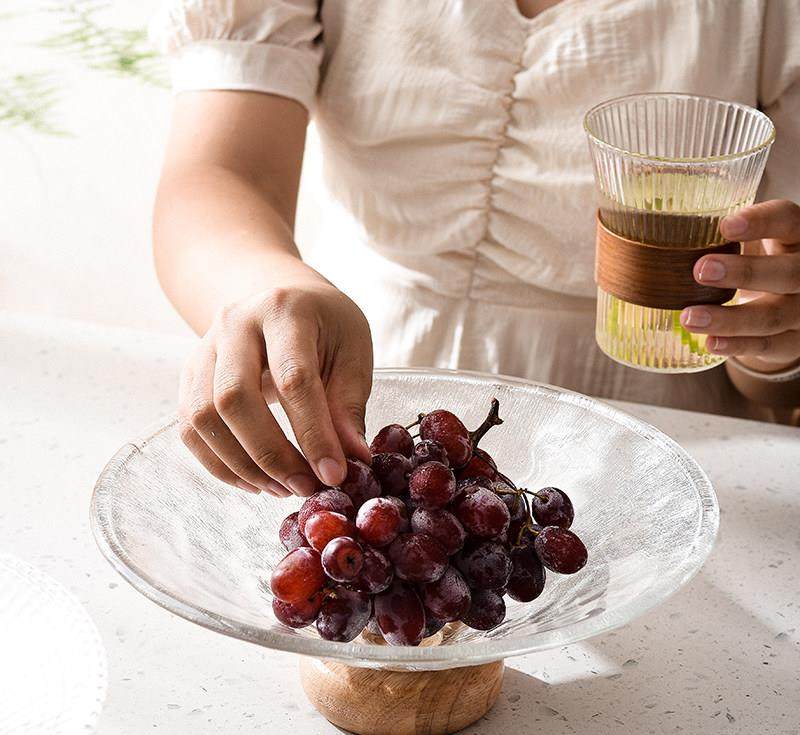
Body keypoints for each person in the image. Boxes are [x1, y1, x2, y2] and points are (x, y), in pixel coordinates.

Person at [149, 0, 800, 498]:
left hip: (664, 449)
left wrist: (774, 342)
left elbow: (770, 318)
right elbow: (220, 175)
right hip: (348, 401)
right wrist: (270, 290)